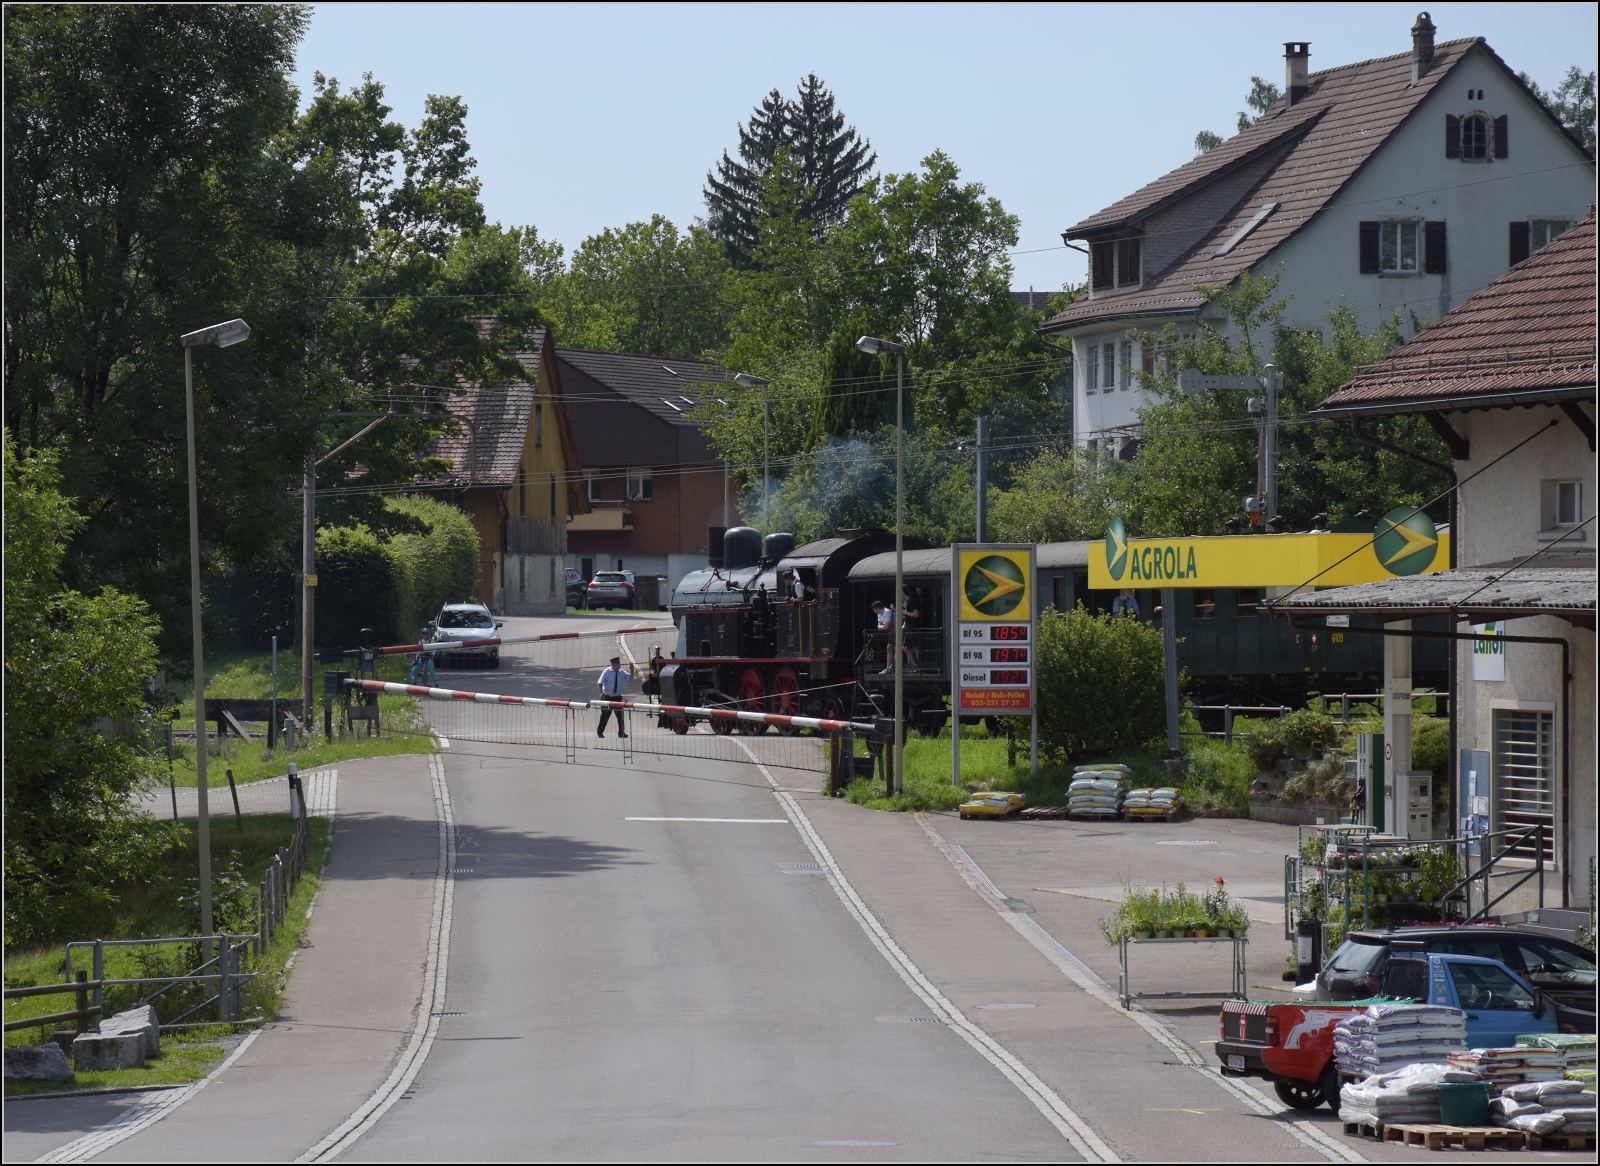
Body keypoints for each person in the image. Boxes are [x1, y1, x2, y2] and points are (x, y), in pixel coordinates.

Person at [595, 655, 635, 738]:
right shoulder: (607, 672)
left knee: (620, 717)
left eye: (619, 663)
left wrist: (632, 670)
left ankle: (621, 733)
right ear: (613, 664)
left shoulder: (621, 672)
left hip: (617, 698)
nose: (619, 665)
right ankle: (600, 732)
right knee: (605, 716)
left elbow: (630, 678)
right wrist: (601, 693)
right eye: (617, 664)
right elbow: (599, 683)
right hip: (607, 698)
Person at [900, 584, 921, 670]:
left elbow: (916, 614)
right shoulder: (906, 602)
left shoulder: (912, 601)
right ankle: (914, 665)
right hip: (908, 627)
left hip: (913, 626)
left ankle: (920, 666)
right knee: (905, 647)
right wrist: (904, 625)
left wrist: (906, 613)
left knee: (915, 647)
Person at [871, 599, 894, 673]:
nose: (874, 611)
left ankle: (893, 667)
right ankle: (889, 667)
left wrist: (882, 626)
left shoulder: (887, 611)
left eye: (874, 610)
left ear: (877, 608)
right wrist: (882, 626)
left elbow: (886, 626)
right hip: (890, 633)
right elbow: (879, 626)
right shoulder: (879, 614)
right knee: (889, 648)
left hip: (895, 631)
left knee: (895, 649)